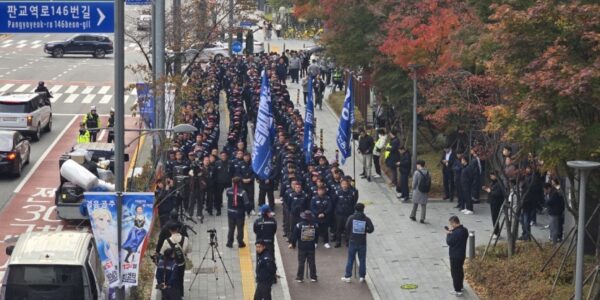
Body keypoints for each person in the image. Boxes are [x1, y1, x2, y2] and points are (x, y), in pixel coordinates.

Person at [341, 203, 374, 283]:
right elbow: (371, 229)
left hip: (352, 241)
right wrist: (365, 230)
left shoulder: (351, 218)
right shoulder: (366, 219)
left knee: (350, 259)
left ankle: (348, 276)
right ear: (363, 209)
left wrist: (349, 235)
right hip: (362, 242)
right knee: (362, 260)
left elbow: (346, 227)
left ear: (355, 209)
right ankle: (362, 276)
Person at [291, 210, 318, 282]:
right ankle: (313, 277)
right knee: (312, 262)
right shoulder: (315, 225)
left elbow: (294, 236)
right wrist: (315, 242)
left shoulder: (298, 225)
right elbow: (317, 235)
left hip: (302, 247)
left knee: (301, 262)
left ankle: (300, 277)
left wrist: (293, 244)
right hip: (311, 246)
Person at [226, 177, 251, 248]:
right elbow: (246, 203)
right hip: (239, 213)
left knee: (231, 228)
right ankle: (240, 242)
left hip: (230, 212)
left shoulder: (228, 190)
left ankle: (229, 242)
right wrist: (248, 212)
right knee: (240, 228)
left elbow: (228, 196)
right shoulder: (243, 192)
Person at [446, 216, 469, 297]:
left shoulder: (455, 233)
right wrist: (452, 231)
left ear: (454, 223)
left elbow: (449, 242)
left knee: (455, 273)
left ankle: (457, 290)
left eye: (451, 224)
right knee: (460, 271)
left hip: (454, 256)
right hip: (462, 254)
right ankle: (461, 286)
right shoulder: (464, 230)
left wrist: (448, 234)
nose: (451, 226)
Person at [483, 172, 504, 239]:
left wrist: (490, 191)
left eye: (492, 176)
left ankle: (496, 233)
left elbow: (498, 194)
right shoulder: (493, 182)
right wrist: (486, 189)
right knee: (494, 218)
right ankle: (495, 231)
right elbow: (491, 189)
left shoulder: (499, 183)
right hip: (492, 202)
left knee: (495, 217)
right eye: (490, 176)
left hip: (496, 202)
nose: (491, 177)